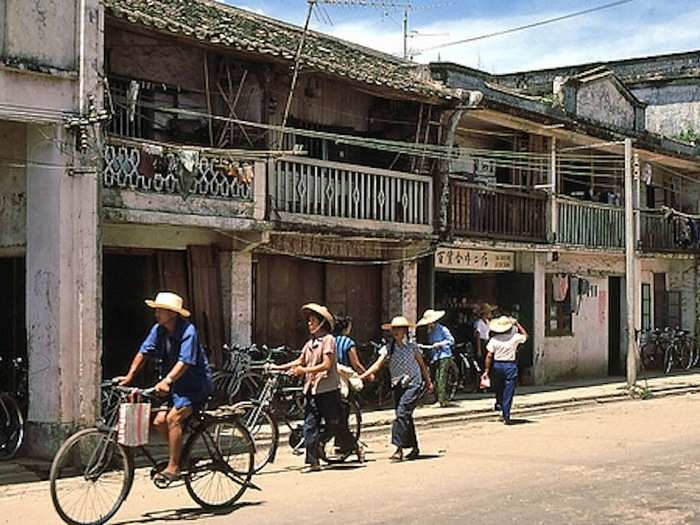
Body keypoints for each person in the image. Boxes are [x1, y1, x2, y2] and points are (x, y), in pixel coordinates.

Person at [119, 292, 213, 485]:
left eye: (160, 310)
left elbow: (185, 362)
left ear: (171, 313)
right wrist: (129, 376)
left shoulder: (189, 331)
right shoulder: (159, 330)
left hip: (194, 387)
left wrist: (168, 380)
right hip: (174, 386)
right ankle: (180, 453)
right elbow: (143, 352)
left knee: (173, 418)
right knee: (159, 421)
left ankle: (174, 466)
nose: (156, 314)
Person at [270, 303, 361, 472]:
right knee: (310, 425)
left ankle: (354, 446)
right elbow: (299, 361)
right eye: (309, 321)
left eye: (312, 321)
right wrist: (278, 367)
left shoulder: (329, 340)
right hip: (312, 390)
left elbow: (326, 365)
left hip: (328, 389)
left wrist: (303, 370)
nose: (309, 324)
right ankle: (313, 461)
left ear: (321, 323)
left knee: (336, 424)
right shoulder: (310, 344)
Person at [360, 316, 433, 462]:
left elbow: (422, 365)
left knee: (402, 412)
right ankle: (414, 447)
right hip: (398, 385)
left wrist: (428, 382)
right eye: (394, 329)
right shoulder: (389, 347)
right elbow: (377, 364)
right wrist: (363, 375)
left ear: (405, 330)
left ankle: (397, 448)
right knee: (405, 416)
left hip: (414, 383)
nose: (396, 332)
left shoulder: (413, 346)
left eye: (399, 329)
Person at [481, 316, 529, 425]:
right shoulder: (515, 337)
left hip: (497, 365)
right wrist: (517, 324)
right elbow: (526, 336)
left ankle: (499, 405)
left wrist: (486, 370)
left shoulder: (494, 340)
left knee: (499, 388)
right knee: (508, 391)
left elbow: (489, 356)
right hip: (509, 365)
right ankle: (506, 414)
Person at [416, 309, 455, 407]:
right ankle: (437, 397)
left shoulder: (442, 329)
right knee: (436, 377)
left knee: (442, 377)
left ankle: (441, 401)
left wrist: (440, 344)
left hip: (444, 355)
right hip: (435, 356)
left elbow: (451, 340)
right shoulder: (430, 332)